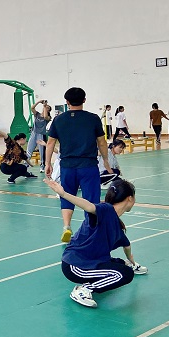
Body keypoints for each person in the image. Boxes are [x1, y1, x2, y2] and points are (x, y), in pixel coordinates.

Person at [45, 177, 147, 309]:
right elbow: (88, 206)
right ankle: (84, 290)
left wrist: (130, 260)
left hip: (90, 260)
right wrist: (64, 194)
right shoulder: (105, 209)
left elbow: (126, 245)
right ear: (130, 198)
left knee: (121, 264)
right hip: (76, 265)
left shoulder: (117, 224)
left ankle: (130, 266)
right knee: (125, 274)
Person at [45, 87, 112, 243]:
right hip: (88, 165)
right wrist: (106, 160)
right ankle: (91, 229)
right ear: (84, 100)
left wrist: (48, 163)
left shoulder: (58, 120)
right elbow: (102, 142)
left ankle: (66, 226)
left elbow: (50, 143)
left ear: (67, 102)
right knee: (91, 199)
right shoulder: (93, 118)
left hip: (67, 166)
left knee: (66, 195)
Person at [27, 101, 52, 171]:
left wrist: (45, 106)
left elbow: (45, 116)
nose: (45, 108)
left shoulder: (48, 117)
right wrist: (39, 102)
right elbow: (32, 108)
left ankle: (42, 166)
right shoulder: (37, 114)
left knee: (42, 152)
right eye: (45, 107)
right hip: (34, 133)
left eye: (48, 108)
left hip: (41, 135)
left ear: (48, 111)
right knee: (29, 150)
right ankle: (26, 164)